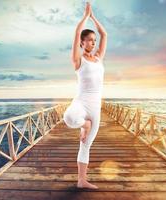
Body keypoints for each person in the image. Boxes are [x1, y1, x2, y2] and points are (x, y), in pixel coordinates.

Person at [63, 2, 107, 189]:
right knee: (69, 117)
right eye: (89, 40)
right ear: (82, 42)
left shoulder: (98, 58)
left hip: (95, 106)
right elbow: (75, 33)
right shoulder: (77, 60)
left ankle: (82, 180)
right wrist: (84, 17)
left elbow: (105, 34)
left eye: (93, 40)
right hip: (81, 102)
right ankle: (84, 124)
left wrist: (93, 16)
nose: (92, 43)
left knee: (85, 145)